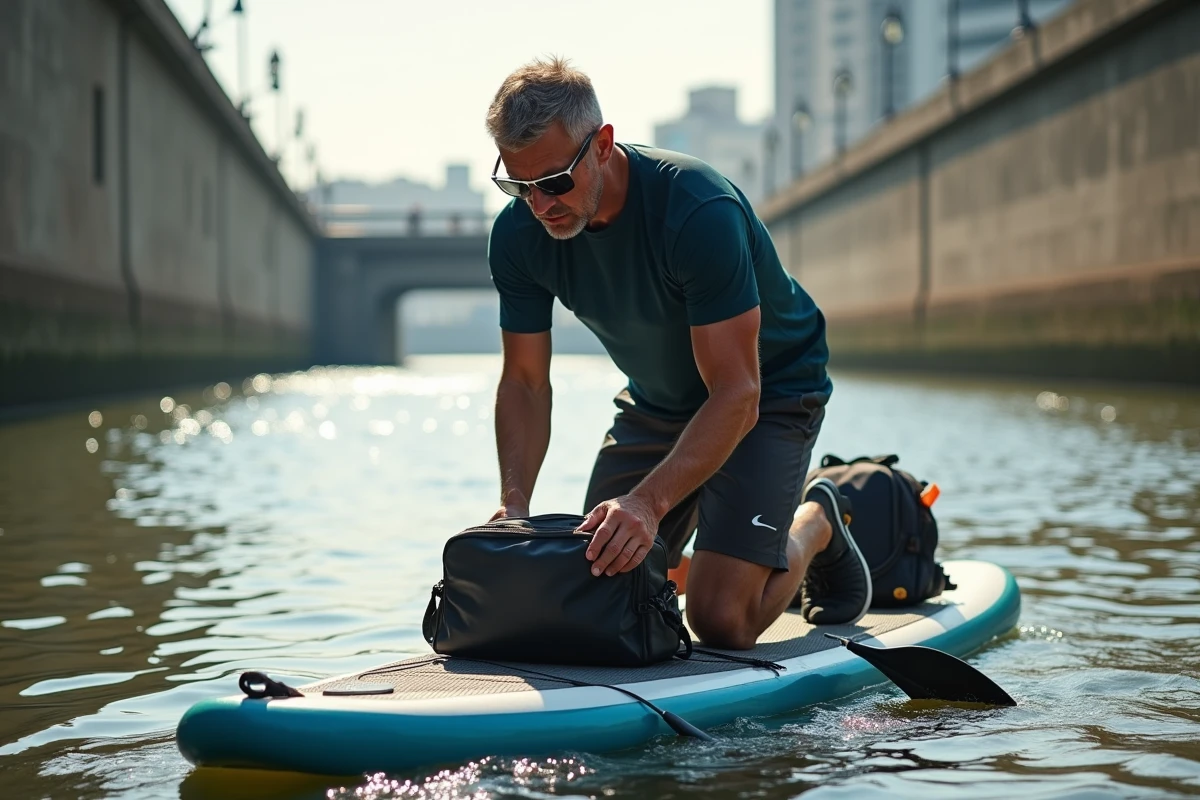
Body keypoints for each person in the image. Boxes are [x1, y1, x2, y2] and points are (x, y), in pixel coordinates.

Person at [484, 57, 870, 650]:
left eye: (555, 182)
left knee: (721, 619)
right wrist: (514, 506)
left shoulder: (697, 210)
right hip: (658, 401)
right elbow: (526, 383)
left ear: (604, 144)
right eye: (519, 185)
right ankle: (702, 556)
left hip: (767, 390)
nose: (539, 205)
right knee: (592, 595)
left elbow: (738, 394)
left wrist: (646, 504)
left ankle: (816, 521)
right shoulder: (517, 237)